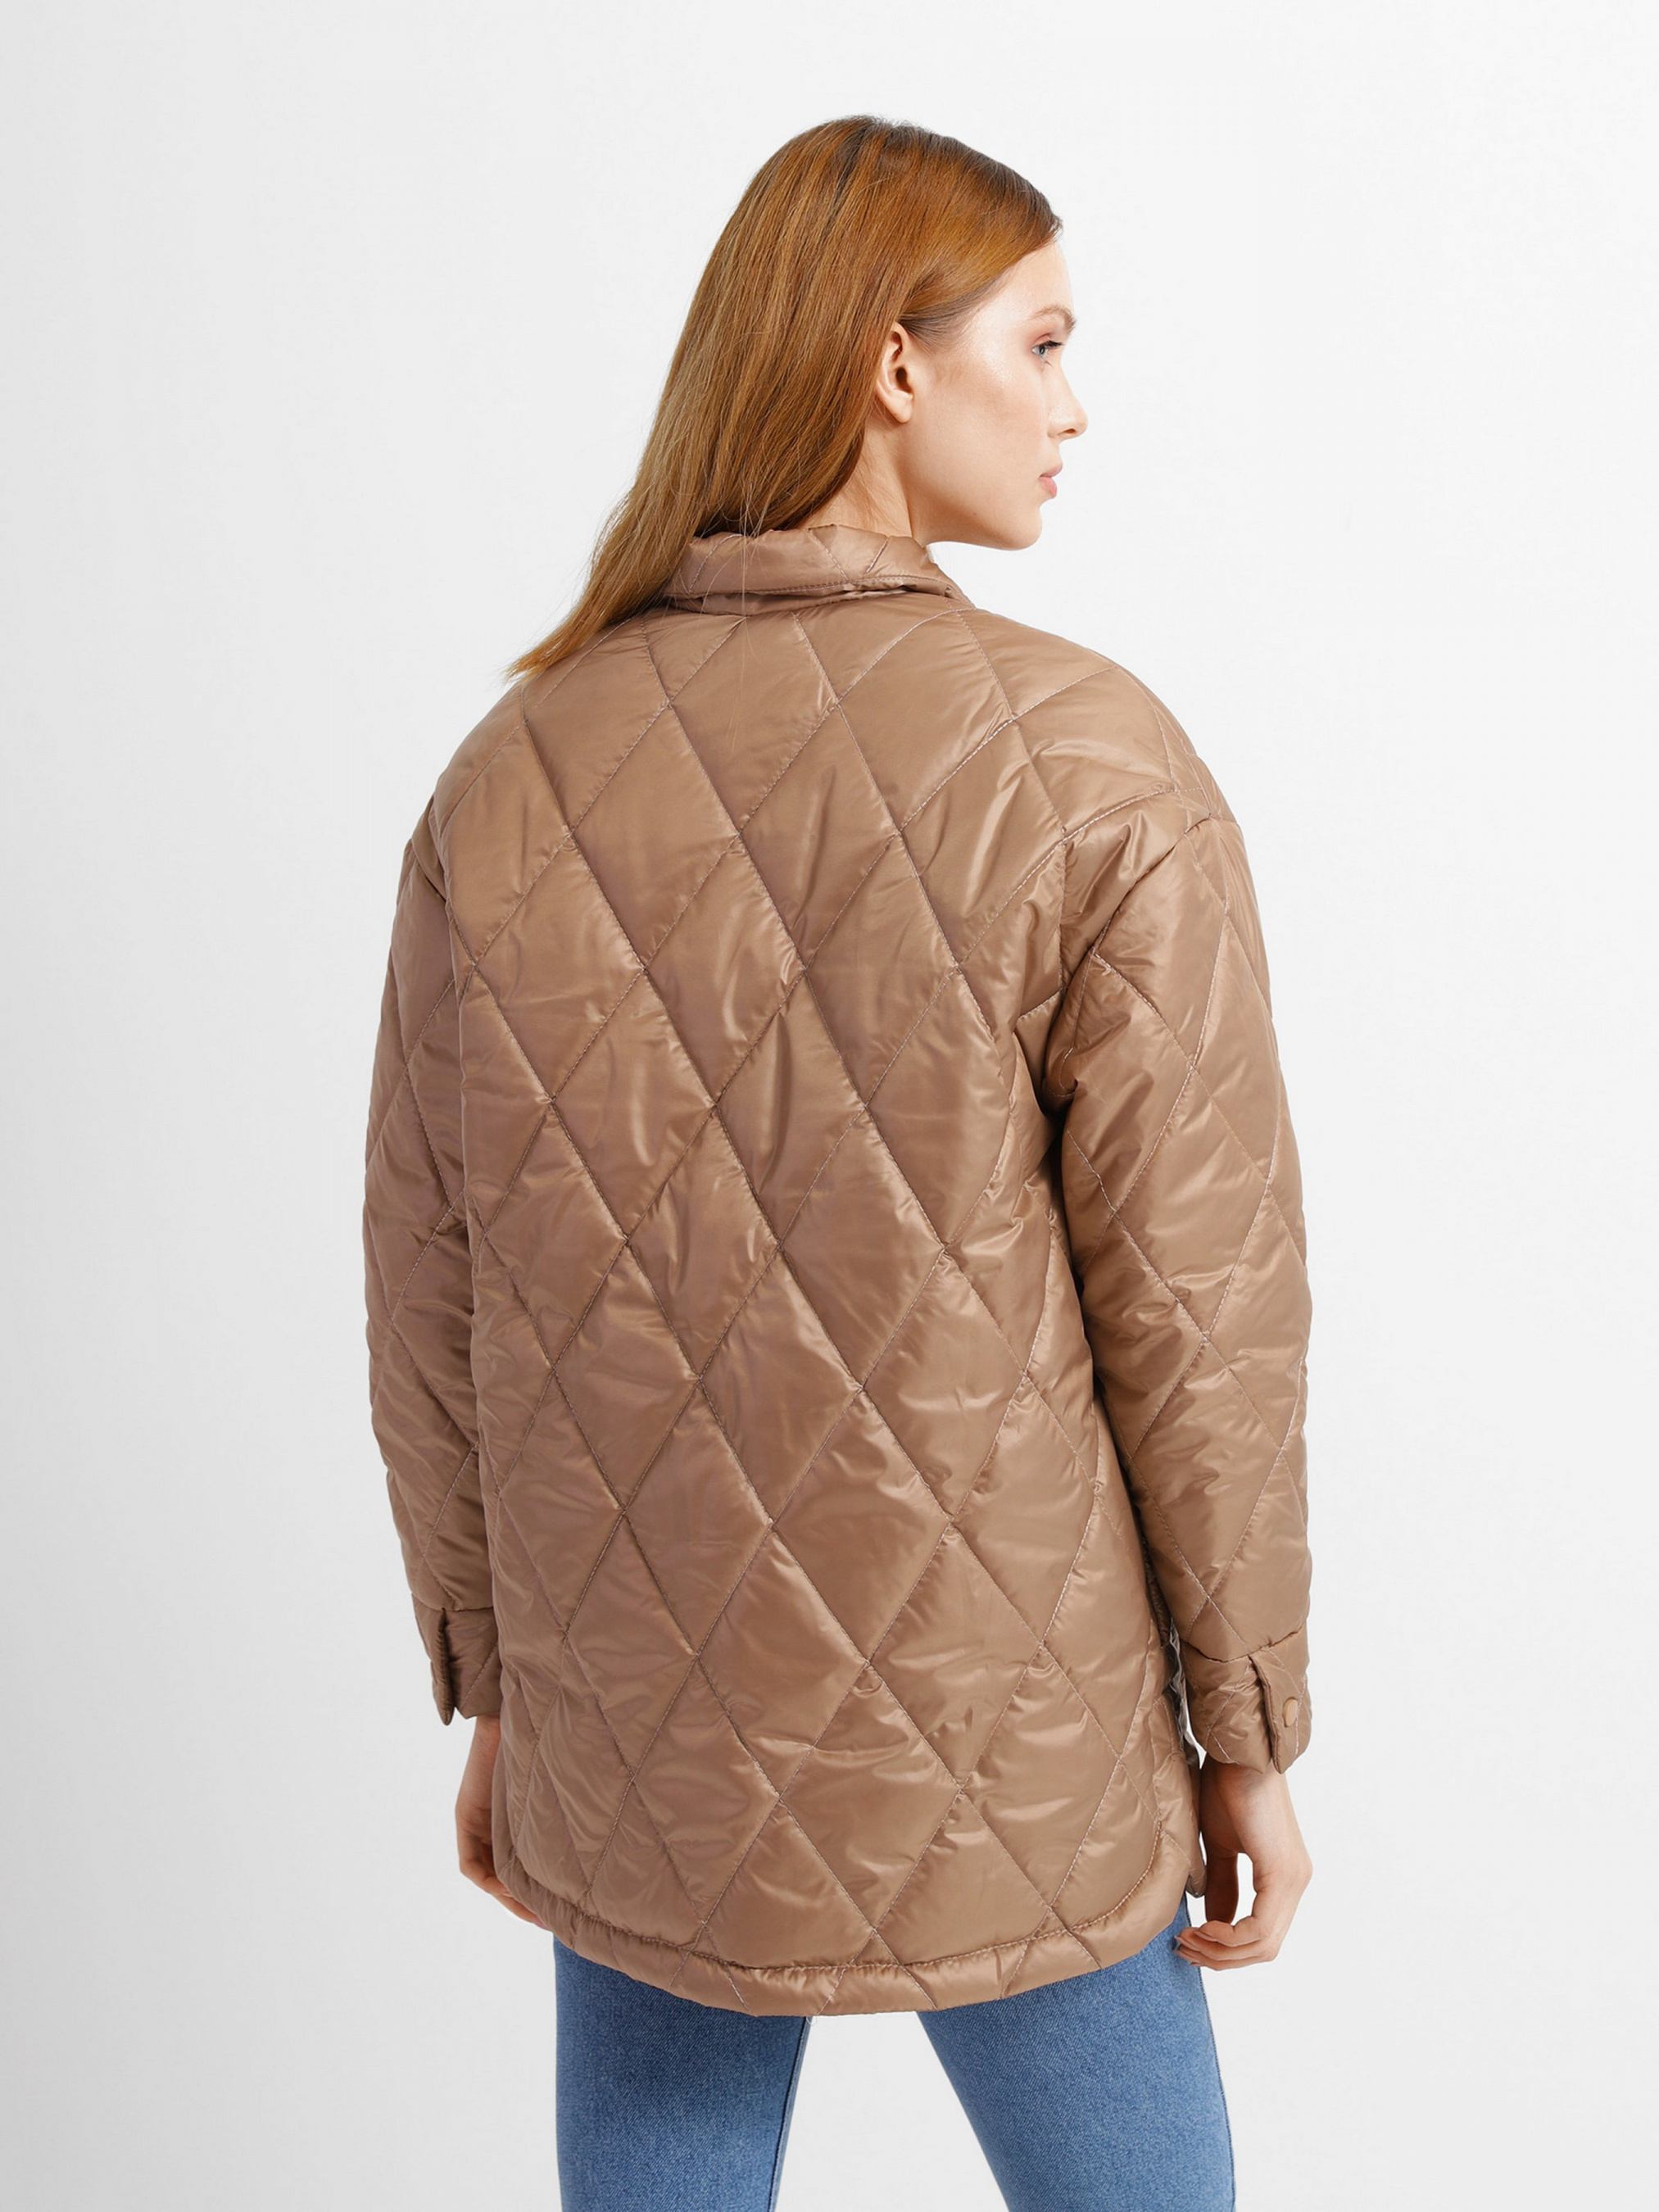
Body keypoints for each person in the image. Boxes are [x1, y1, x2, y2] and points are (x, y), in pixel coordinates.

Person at [362, 113, 1314, 2212]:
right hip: (1019, 1731)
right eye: (1040, 343)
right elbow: (1200, 1322)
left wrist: (501, 1686)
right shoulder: (1091, 765)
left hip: (642, 1723)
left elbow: (429, 1291)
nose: (1072, 405)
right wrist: (1242, 1727)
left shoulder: (511, 775)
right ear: (895, 363)